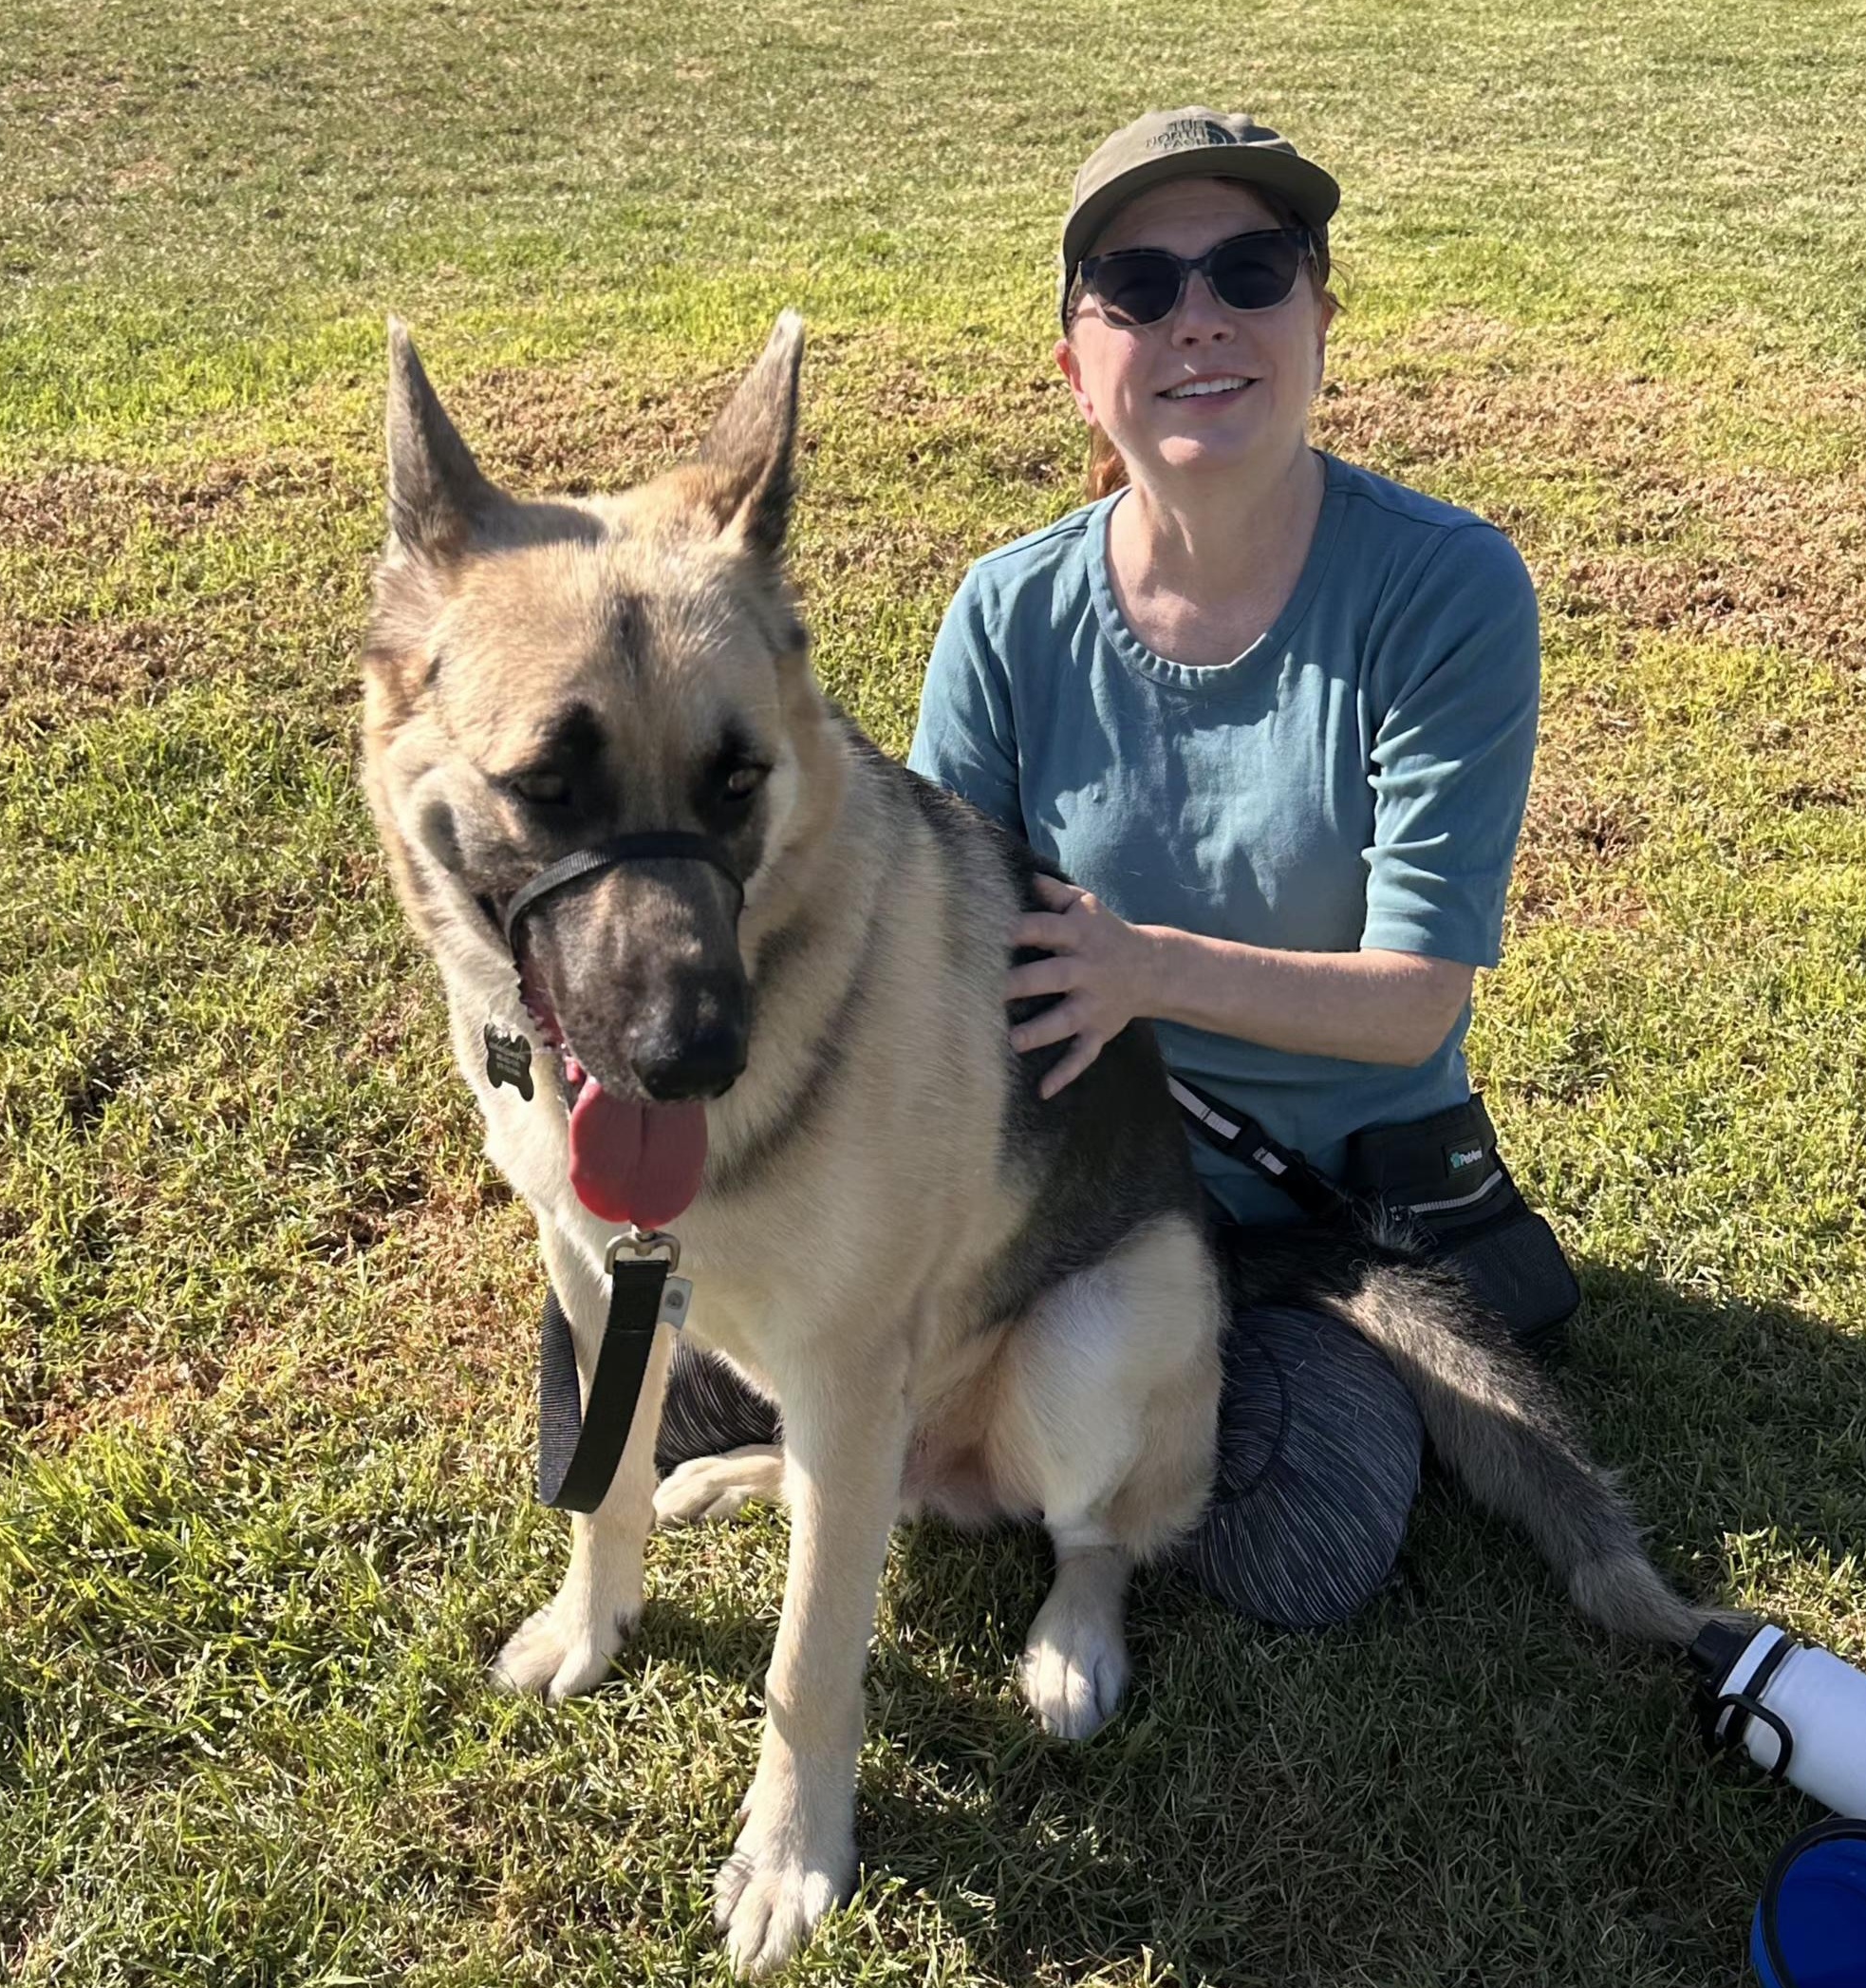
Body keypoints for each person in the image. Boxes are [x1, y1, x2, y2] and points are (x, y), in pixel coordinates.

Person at [654, 107, 1549, 1629]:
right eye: (1136, 286)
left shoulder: (1445, 589)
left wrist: (1141, 971)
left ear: (1322, 318)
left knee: (1297, 1537)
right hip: (1044, 1191)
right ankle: (943, 1427)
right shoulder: (1009, 609)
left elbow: (1410, 1006)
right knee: (640, 1373)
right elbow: (919, 948)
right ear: (1076, 364)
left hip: (1296, 1223)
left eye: (1249, 270)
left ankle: (1034, 1465)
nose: (1196, 316)